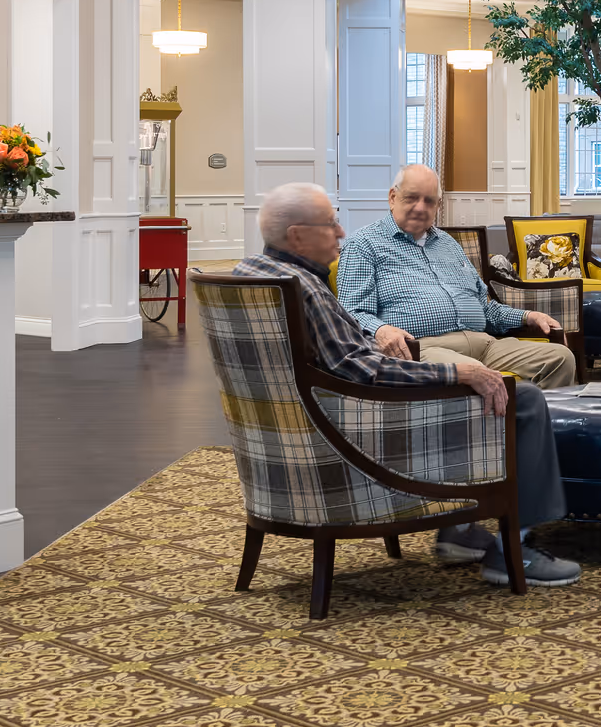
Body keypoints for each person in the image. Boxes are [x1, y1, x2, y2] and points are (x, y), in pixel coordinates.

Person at [236, 181, 581, 587]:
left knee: (557, 359)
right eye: (332, 224)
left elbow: (480, 306)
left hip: (463, 352)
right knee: (521, 399)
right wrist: (451, 369)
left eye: (430, 200)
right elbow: (367, 370)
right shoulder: (321, 279)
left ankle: (485, 509)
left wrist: (525, 319)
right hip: (381, 413)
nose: (341, 233)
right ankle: (513, 548)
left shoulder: (261, 275)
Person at [337, 164, 577, 390]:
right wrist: (380, 330)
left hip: (485, 343)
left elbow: (486, 310)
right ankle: (505, 431)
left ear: (438, 205)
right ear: (392, 197)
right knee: (477, 373)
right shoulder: (364, 244)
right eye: (412, 198)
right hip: (423, 348)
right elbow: (351, 312)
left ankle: (533, 431)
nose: (421, 207)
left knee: (560, 358)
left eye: (429, 201)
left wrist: (529, 316)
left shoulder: (449, 244)